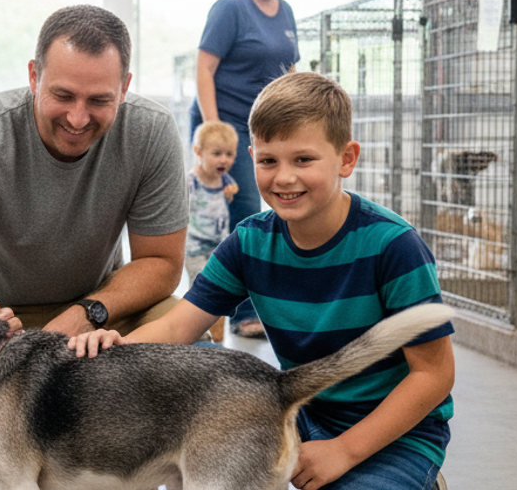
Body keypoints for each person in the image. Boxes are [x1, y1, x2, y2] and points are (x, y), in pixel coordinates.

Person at [71, 72, 456, 490]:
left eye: (303, 160)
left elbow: (434, 375)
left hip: (393, 433)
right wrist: (117, 349)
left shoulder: (394, 246)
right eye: (268, 161)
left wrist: (343, 450)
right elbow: (178, 327)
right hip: (297, 408)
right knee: (190, 366)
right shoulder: (250, 241)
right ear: (251, 157)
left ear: (346, 158)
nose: (284, 177)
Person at [0, 4, 189, 489]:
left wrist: (88, 314)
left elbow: (162, 263)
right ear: (33, 77)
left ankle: (106, 460)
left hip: (96, 306)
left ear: (125, 88)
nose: (78, 117)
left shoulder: (151, 131)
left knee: (182, 328)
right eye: (62, 94)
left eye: (100, 100)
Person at [191, 0, 301, 338]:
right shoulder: (231, 8)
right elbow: (205, 69)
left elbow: (288, 70)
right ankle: (237, 313)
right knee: (244, 211)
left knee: (272, 208)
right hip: (228, 125)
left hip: (266, 125)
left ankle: (263, 304)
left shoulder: (285, 11)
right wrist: (214, 131)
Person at [186, 120, 239, 342]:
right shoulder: (191, 181)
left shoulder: (224, 179)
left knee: (220, 292)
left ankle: (216, 340)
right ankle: (199, 340)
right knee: (202, 293)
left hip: (218, 248)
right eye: (217, 153)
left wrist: (232, 190)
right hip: (195, 248)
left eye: (229, 154)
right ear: (199, 152)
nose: (224, 160)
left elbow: (231, 187)